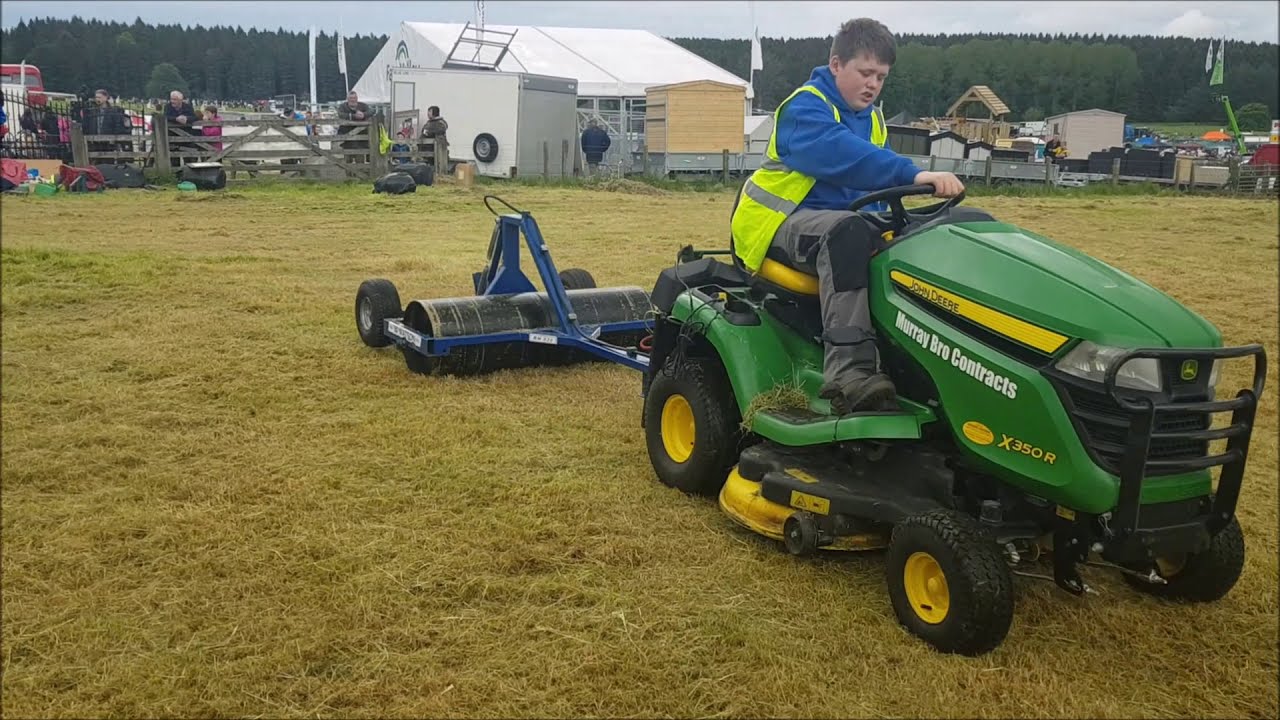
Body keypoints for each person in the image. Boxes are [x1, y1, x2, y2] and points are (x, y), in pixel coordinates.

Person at [729, 18, 965, 415]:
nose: (872, 84)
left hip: (840, 222)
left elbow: (871, 188)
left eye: (881, 77)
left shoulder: (872, 118)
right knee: (849, 234)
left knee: (936, 229)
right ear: (836, 64)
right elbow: (846, 157)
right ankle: (850, 373)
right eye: (865, 72)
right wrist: (915, 173)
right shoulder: (806, 108)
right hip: (779, 224)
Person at [83, 89, 130, 161]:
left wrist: (114, 139)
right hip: (94, 141)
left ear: (105, 98)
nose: (97, 99)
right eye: (96, 97)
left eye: (99, 97)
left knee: (108, 161)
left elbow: (117, 125)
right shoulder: (92, 111)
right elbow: (88, 125)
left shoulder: (113, 111)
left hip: (108, 141)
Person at [165, 90, 198, 168]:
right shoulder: (168, 107)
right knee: (174, 159)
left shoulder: (188, 107)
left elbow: (194, 117)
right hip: (172, 137)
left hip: (186, 136)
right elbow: (165, 117)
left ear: (180, 100)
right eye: (171, 99)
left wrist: (186, 118)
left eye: (175, 99)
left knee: (189, 159)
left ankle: (189, 175)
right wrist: (176, 119)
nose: (172, 101)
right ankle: (176, 176)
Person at [336, 91, 371, 162]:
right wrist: (353, 116)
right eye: (351, 98)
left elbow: (371, 111)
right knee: (348, 160)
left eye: (354, 98)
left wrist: (363, 114)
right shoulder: (343, 106)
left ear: (357, 98)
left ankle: (361, 172)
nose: (353, 100)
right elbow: (341, 114)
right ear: (347, 99)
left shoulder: (363, 106)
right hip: (347, 138)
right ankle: (349, 173)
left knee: (360, 159)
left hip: (361, 138)